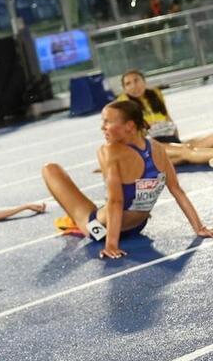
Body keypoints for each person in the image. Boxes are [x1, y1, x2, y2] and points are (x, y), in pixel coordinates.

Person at [42, 100, 212, 259]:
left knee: (50, 169)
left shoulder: (109, 152)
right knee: (102, 205)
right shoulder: (158, 149)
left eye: (107, 122)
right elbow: (177, 190)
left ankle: (77, 220)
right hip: (139, 225)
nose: (103, 128)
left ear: (130, 126)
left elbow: (116, 202)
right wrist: (199, 228)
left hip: (101, 230)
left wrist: (111, 244)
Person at [117, 70, 213, 166]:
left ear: (144, 81)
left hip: (168, 139)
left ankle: (172, 160)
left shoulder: (155, 93)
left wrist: (175, 137)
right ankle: (165, 160)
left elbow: (167, 117)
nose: (134, 86)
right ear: (124, 89)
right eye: (128, 84)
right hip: (149, 145)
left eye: (136, 80)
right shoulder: (124, 103)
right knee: (186, 150)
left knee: (205, 140)